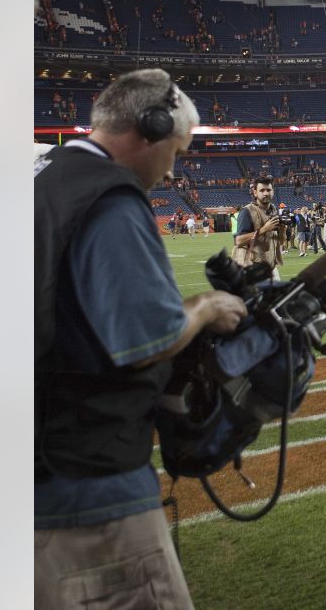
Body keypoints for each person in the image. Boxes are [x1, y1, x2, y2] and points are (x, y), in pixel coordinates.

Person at [34, 68, 248, 608]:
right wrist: (203, 308)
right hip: (85, 485)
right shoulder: (106, 197)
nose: (174, 171)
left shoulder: (45, 173)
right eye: (175, 151)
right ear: (150, 128)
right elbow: (146, 337)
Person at [233, 177, 285, 279]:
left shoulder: (273, 209)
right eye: (262, 190)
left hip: (270, 266)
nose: (266, 193)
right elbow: (239, 241)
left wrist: (282, 230)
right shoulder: (247, 211)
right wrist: (264, 229)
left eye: (268, 190)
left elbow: (281, 241)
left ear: (273, 192)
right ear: (255, 193)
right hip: (252, 267)